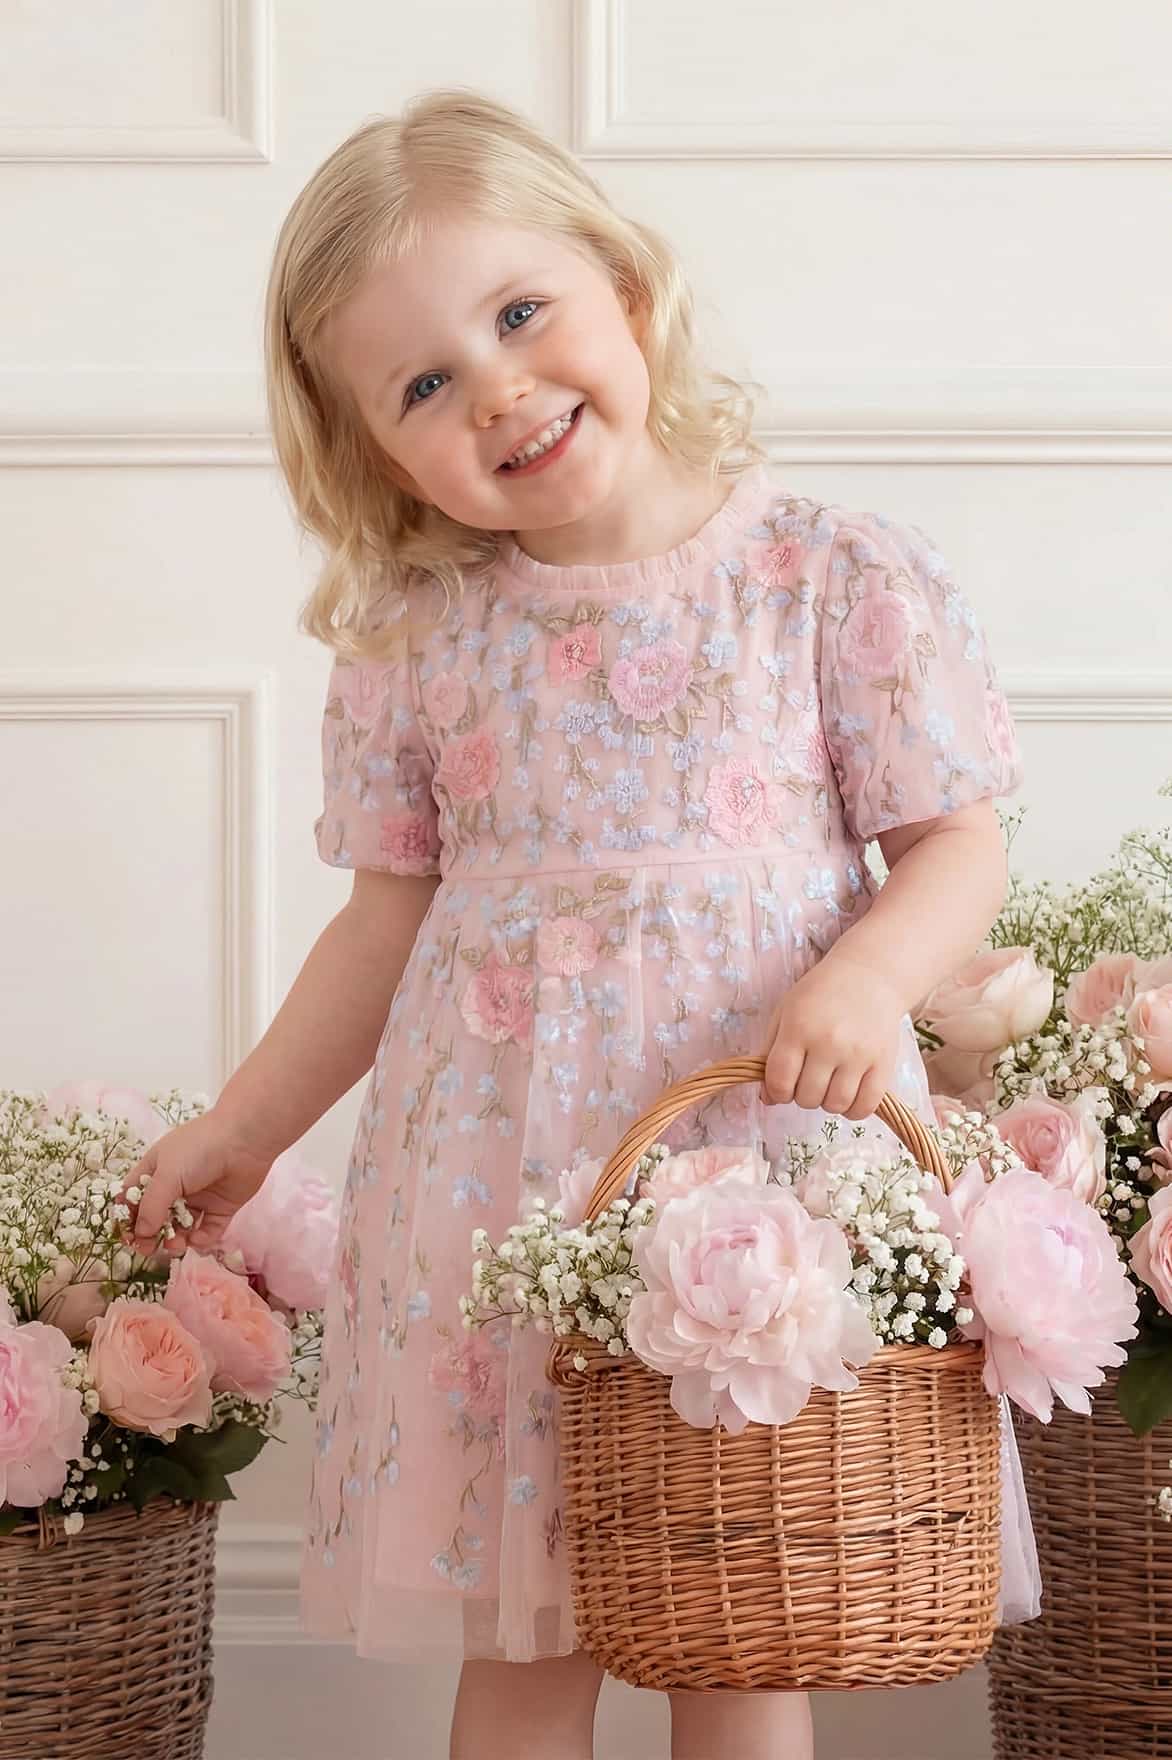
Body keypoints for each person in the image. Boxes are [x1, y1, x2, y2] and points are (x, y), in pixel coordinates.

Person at [118, 87, 1040, 1760]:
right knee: (526, 1634)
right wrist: (246, 1128)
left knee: (736, 1622)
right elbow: (381, 926)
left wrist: (866, 977)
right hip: (503, 1196)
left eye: (521, 312)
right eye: (423, 385)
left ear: (623, 280)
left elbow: (957, 843)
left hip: (754, 1171)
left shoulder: (825, 579)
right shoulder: (421, 639)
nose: (498, 389)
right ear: (374, 451)